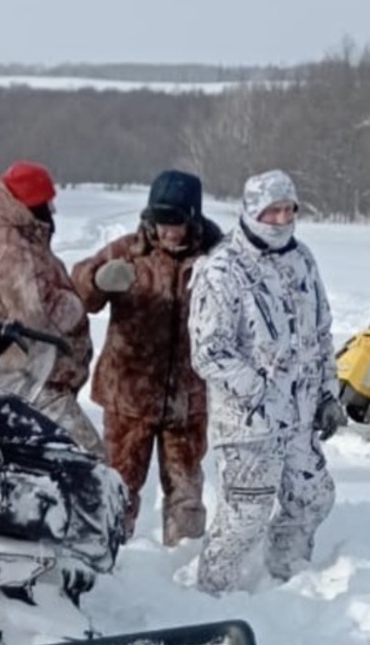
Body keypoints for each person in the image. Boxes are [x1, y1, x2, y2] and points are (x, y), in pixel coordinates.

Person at [187, 169, 345, 592]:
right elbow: (209, 352)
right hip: (249, 423)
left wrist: (329, 393)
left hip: (300, 418)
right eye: (271, 211)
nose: (280, 220)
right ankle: (211, 595)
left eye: (287, 210)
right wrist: (260, 392)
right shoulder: (222, 269)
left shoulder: (302, 260)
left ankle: (285, 573)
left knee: (314, 498)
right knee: (244, 517)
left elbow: (321, 333)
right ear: (251, 212)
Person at [71, 169, 223, 544]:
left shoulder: (217, 258)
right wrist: (96, 280)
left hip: (187, 399)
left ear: (194, 219)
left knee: (186, 492)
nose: (170, 231)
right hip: (128, 395)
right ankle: (110, 557)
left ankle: (183, 562)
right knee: (118, 486)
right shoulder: (127, 252)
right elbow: (77, 293)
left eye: (178, 223)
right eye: (162, 222)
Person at [0, 161, 103, 456]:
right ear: (28, 204)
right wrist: (74, 302)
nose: (52, 211)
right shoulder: (11, 249)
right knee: (89, 459)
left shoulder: (4, 239)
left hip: (22, 372)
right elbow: (36, 314)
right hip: (28, 377)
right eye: (46, 203)